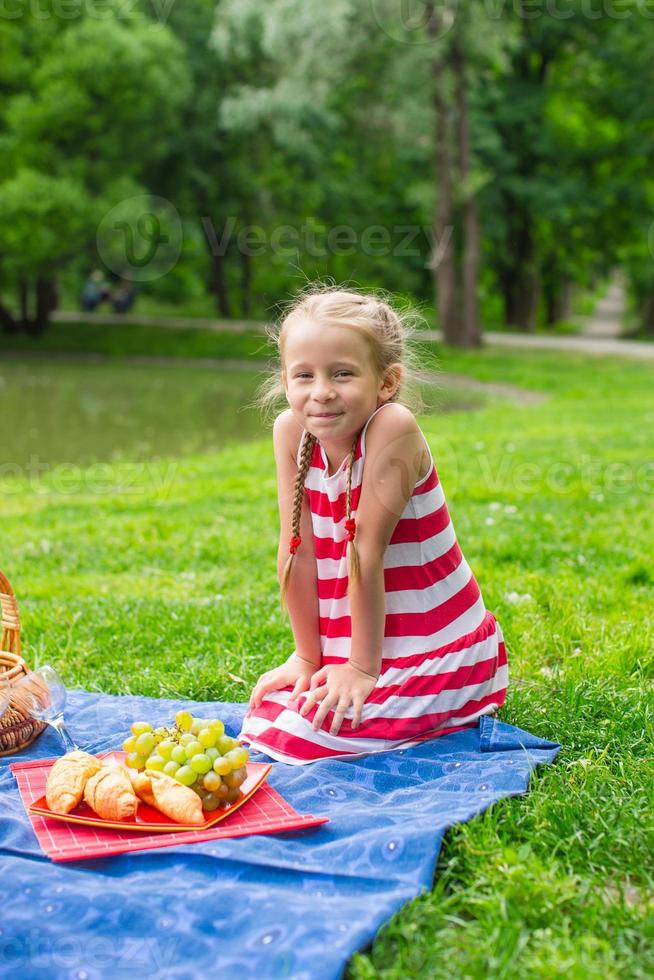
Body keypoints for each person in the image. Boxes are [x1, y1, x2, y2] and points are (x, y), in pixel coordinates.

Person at [238, 286, 509, 765]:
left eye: (342, 373)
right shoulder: (291, 431)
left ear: (386, 382)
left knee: (305, 736)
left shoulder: (393, 428)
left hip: (434, 645)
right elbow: (296, 548)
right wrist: (308, 658)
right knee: (267, 716)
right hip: (362, 639)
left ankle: (446, 700)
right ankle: (351, 683)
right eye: (304, 375)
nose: (321, 391)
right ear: (285, 380)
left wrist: (361, 670)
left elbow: (364, 552)